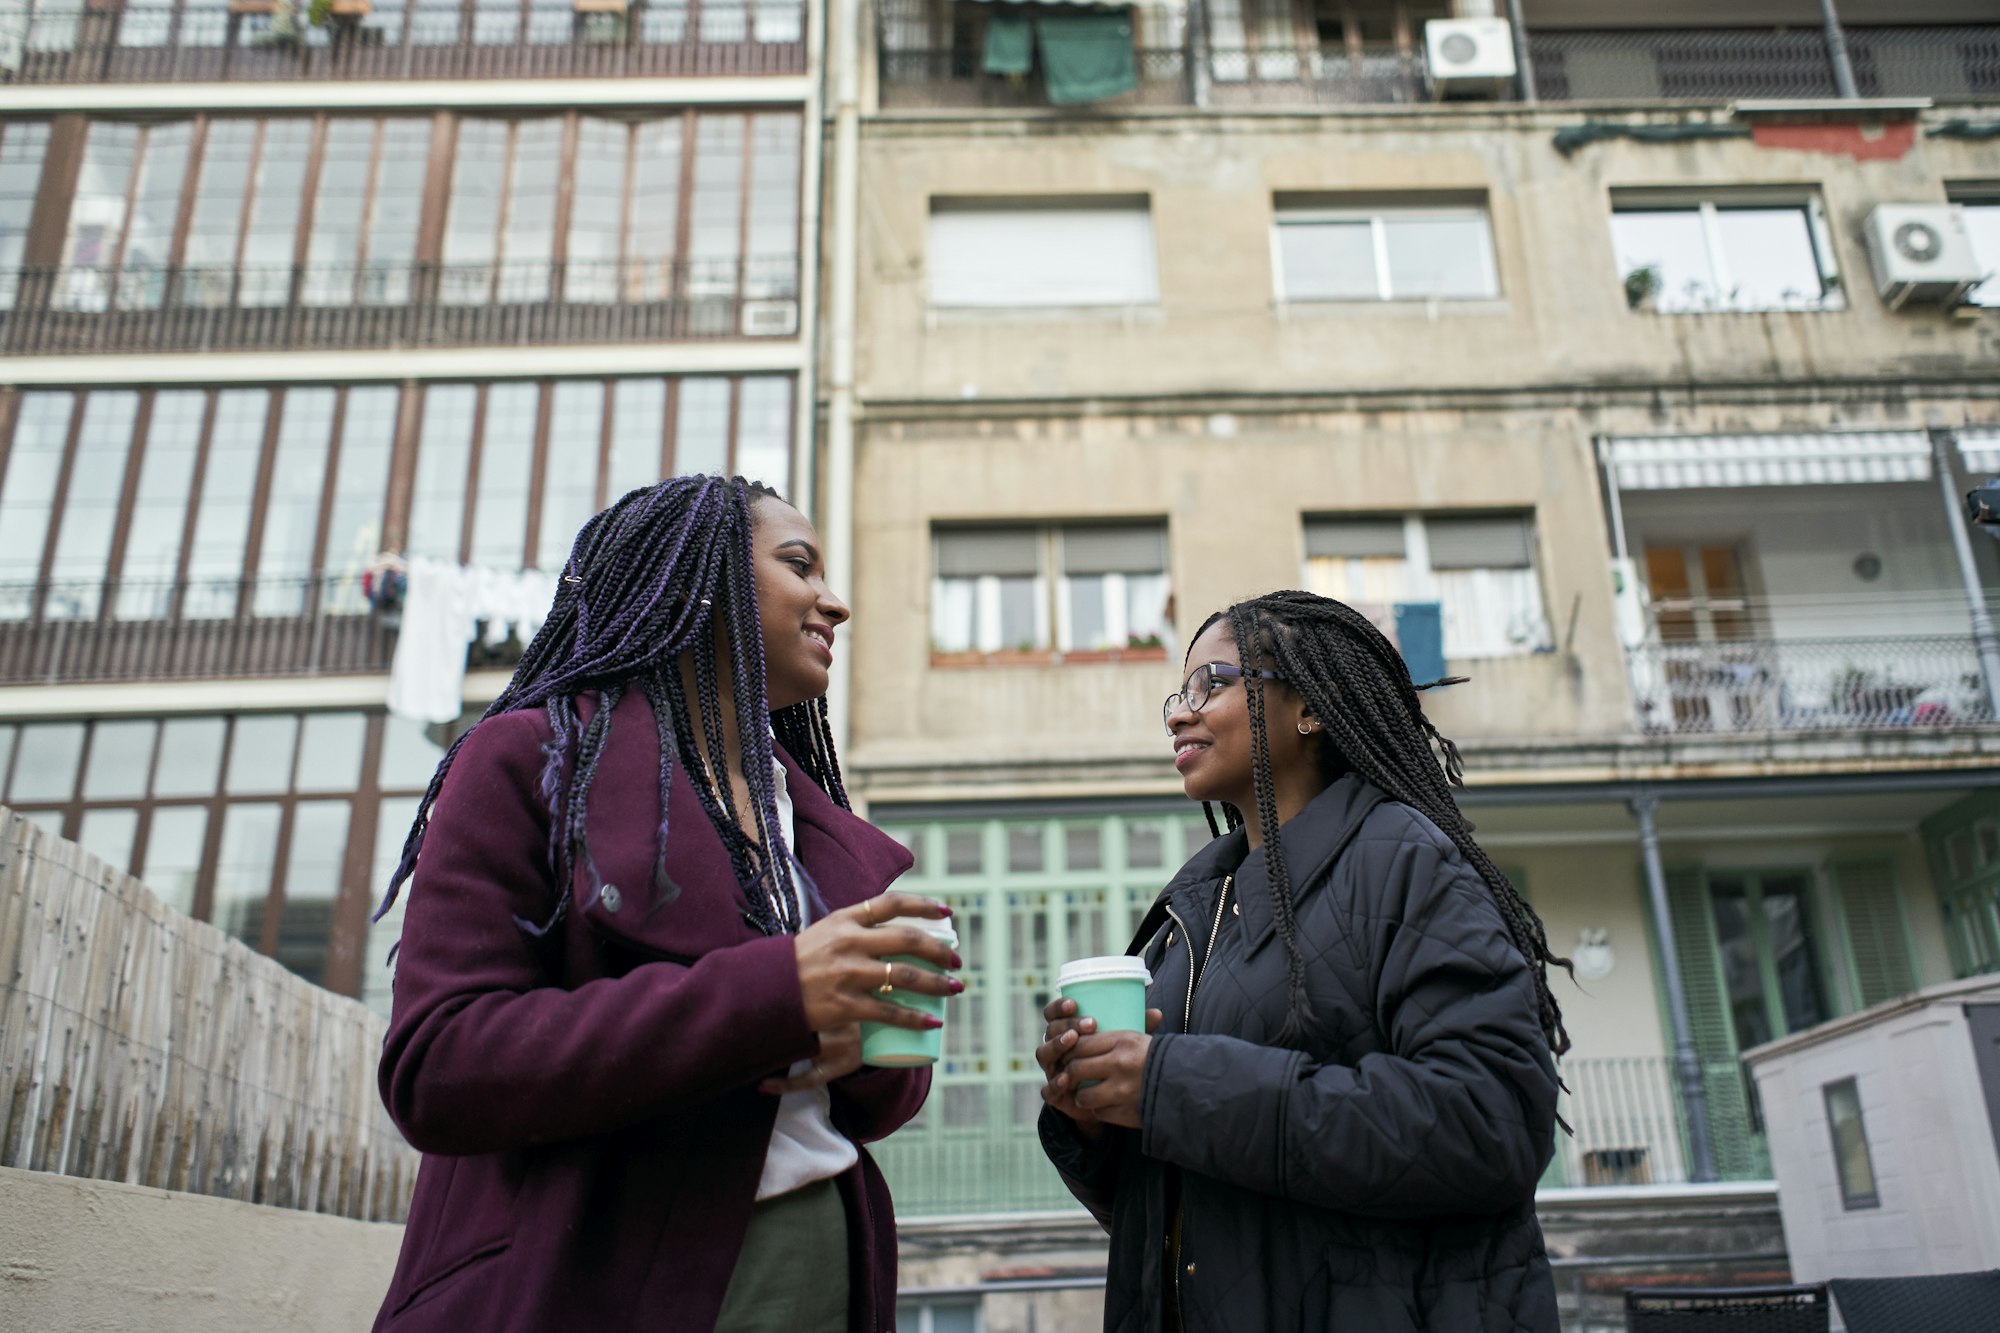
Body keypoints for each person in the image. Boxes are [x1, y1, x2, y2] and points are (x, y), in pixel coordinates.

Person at [369, 475, 960, 1333]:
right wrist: (779, 992)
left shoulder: (807, 819)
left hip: (825, 1262)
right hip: (598, 1278)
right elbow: (438, 1064)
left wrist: (872, 1039)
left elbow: (865, 1105)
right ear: (699, 578)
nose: (834, 603)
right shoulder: (528, 759)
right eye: (800, 566)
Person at [1037, 590, 1565, 1331]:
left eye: (1211, 683)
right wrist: (1093, 1118)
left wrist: (1167, 1083)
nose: (1179, 714)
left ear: (1313, 706)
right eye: (1177, 694)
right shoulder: (1196, 912)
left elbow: (1491, 1122)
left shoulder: (1401, 860)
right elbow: (1180, 1201)